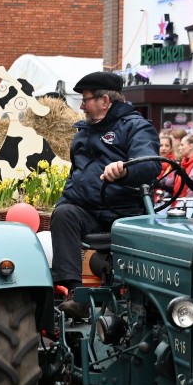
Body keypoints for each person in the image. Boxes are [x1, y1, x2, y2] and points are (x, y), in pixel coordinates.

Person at [52, 71, 160, 319]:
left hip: (125, 215)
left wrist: (125, 169)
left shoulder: (136, 127)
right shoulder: (82, 134)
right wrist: (64, 200)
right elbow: (76, 176)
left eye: (85, 99)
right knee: (64, 214)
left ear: (105, 101)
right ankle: (73, 293)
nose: (81, 106)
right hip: (90, 213)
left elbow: (151, 165)